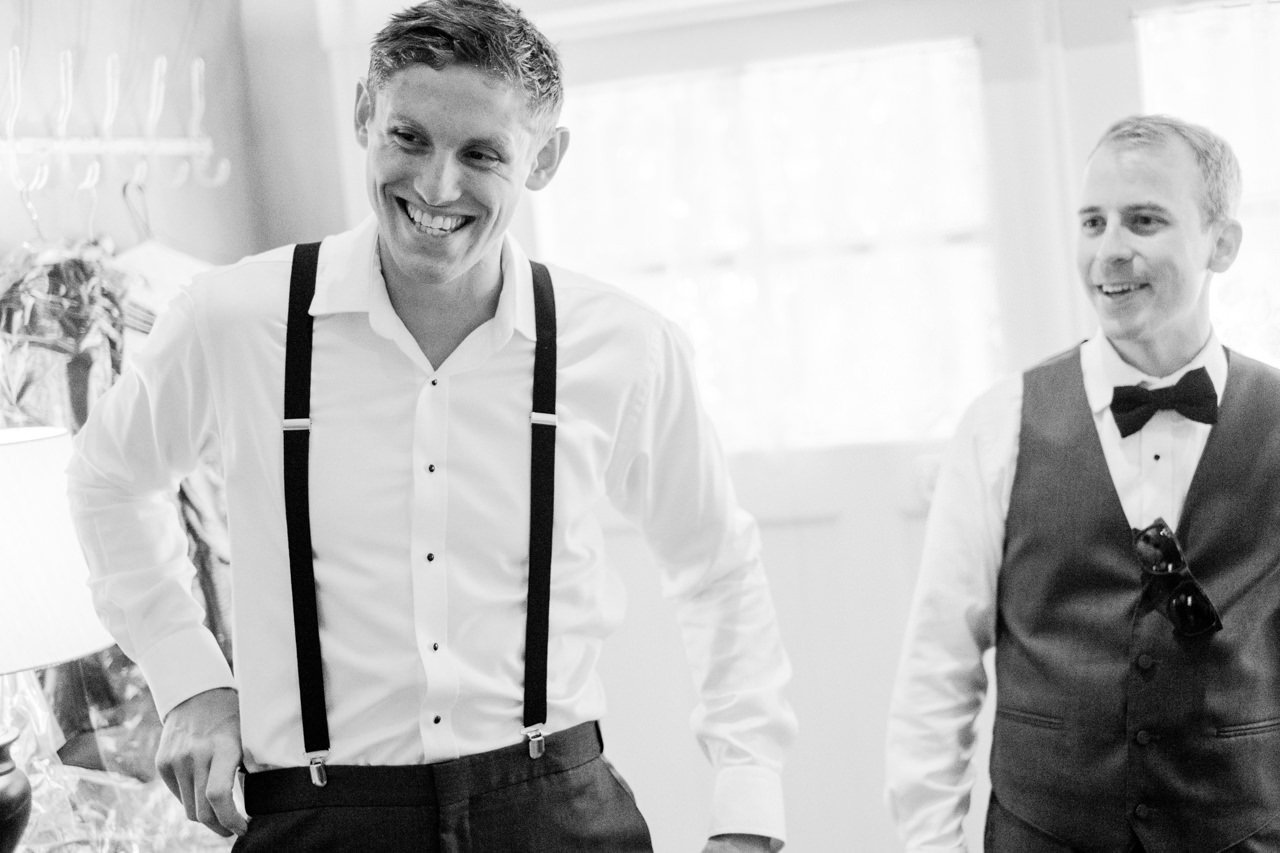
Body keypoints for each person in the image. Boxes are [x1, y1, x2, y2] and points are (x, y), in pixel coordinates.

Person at [66, 1, 796, 850]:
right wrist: (187, 678)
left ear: (546, 158)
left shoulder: (625, 347)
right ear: (362, 118)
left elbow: (716, 564)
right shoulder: (235, 320)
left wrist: (748, 806)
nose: (436, 186)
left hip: (556, 813)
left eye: (481, 153)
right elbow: (106, 478)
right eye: (408, 138)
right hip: (321, 819)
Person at [885, 114, 1280, 852]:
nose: (1110, 250)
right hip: (1045, 833)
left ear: (1222, 243)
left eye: (1145, 220)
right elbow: (938, 668)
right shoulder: (999, 423)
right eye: (1093, 222)